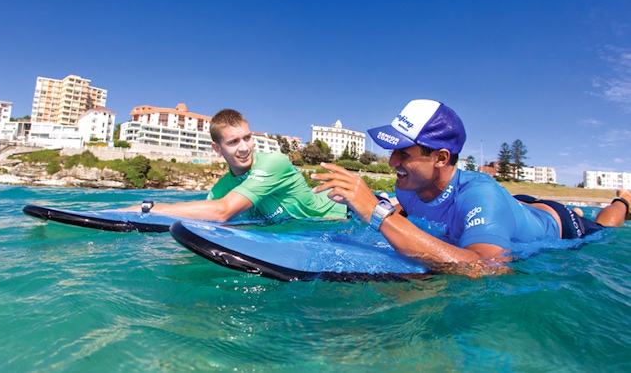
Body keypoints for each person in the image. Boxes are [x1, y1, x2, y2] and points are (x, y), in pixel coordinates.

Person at [311, 99, 630, 274]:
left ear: (441, 157)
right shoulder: (409, 187)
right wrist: (368, 206)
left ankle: (624, 200)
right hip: (510, 209)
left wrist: (381, 215)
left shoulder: (480, 194)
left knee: (604, 227)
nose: (392, 162)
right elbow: (402, 212)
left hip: (560, 224)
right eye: (392, 151)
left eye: (403, 153)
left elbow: (488, 267)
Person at [124, 109, 348, 222]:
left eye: (247, 138)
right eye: (233, 142)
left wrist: (148, 209)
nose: (244, 148)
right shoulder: (220, 190)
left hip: (341, 218)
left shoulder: (274, 162)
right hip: (299, 233)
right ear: (218, 149)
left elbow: (222, 212)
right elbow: (208, 219)